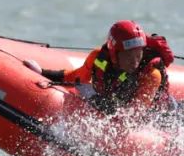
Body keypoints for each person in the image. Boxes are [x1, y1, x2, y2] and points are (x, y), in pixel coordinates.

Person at [31, 20, 174, 117]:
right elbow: (76, 77)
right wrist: (42, 73)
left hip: (161, 114)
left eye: (138, 53)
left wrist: (99, 103)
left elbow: (135, 113)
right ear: (114, 53)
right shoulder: (98, 58)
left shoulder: (151, 74)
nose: (135, 61)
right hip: (114, 100)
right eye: (128, 55)